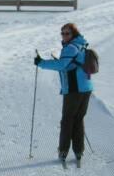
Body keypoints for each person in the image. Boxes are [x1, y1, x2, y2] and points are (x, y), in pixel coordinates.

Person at [34, 23, 93, 166]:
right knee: (78, 119)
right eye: (62, 33)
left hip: (74, 90)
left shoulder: (70, 48)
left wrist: (41, 63)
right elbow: (70, 64)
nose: (64, 36)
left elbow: (62, 65)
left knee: (67, 121)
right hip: (86, 88)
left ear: (74, 34)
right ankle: (79, 151)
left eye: (67, 33)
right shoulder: (81, 45)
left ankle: (63, 151)